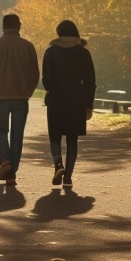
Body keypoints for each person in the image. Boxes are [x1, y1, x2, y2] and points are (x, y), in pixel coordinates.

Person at [0, 13, 39, 186]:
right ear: (19, 26)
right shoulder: (28, 46)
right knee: (17, 135)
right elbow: (35, 73)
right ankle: (11, 173)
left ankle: (5, 161)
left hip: (0, 97)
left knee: (1, 131)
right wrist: (28, 91)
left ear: (3, 26)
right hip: (21, 96)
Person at [42, 20, 96, 189]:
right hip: (76, 99)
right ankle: (68, 177)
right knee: (72, 139)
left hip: (56, 98)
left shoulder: (51, 52)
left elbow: (47, 81)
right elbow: (90, 81)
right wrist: (89, 105)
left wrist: (51, 87)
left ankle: (58, 164)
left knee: (55, 136)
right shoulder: (83, 53)